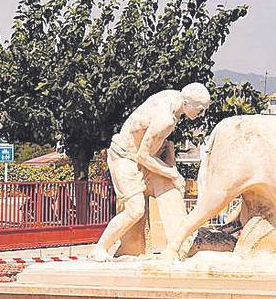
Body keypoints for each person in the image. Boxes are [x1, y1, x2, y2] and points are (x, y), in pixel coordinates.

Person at [89, 83, 211, 261]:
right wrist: (173, 173)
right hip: (125, 158)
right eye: (200, 110)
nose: (202, 114)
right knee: (135, 210)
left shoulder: (173, 97)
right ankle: (100, 247)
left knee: (170, 186)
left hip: (138, 157)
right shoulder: (165, 120)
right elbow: (143, 156)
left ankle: (179, 245)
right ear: (187, 103)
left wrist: (170, 168)